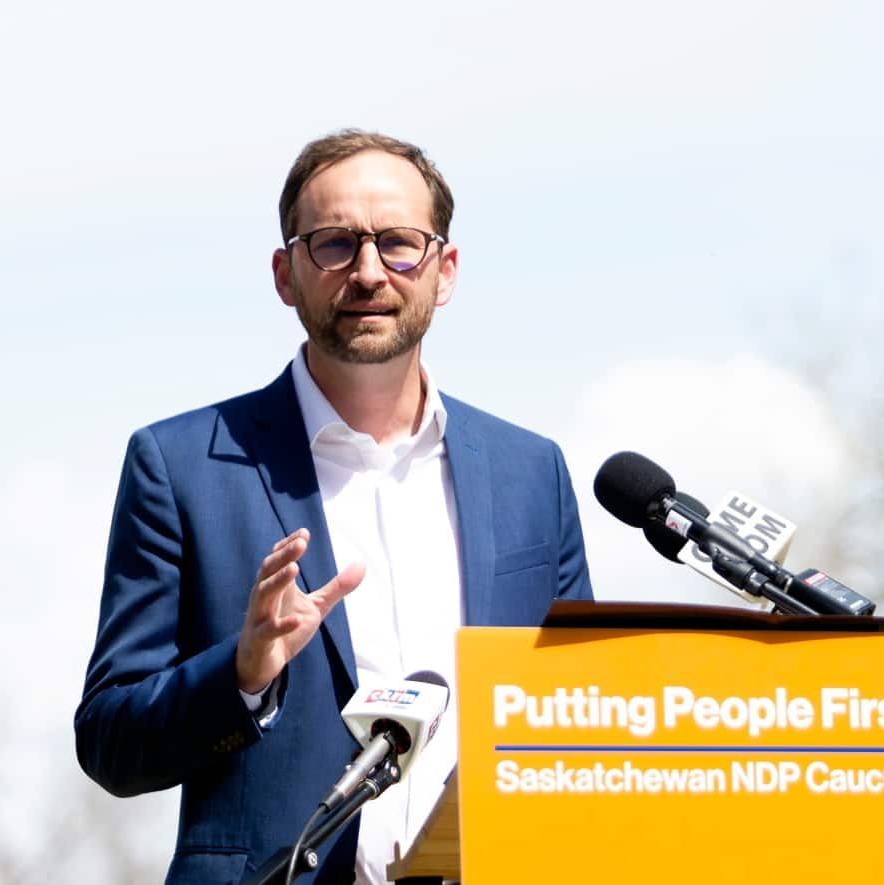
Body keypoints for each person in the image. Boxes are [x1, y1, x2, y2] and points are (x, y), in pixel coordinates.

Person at [75, 129, 594, 885]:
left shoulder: (530, 472)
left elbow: (577, 720)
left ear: (445, 270)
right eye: (335, 244)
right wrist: (244, 673)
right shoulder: (181, 465)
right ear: (286, 275)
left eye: (398, 243)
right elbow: (111, 742)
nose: (369, 270)